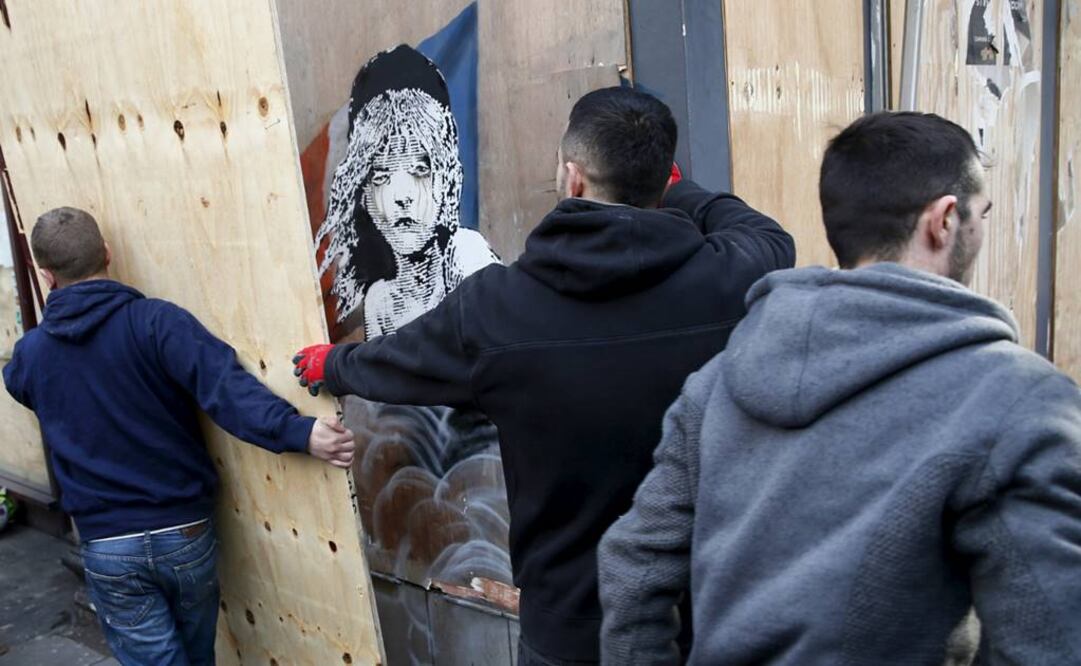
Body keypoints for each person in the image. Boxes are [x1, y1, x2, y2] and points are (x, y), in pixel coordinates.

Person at [293, 86, 795, 664]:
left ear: (573, 178)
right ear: (663, 180)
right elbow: (770, 237)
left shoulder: (499, 308)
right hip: (700, 620)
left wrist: (333, 364)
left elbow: (400, 361)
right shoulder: (728, 281)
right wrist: (678, 191)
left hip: (569, 631)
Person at [597, 111, 1081, 665]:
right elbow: (1052, 640)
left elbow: (633, 562)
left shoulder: (718, 383)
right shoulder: (1018, 402)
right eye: (982, 213)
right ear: (944, 219)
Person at [3, 207, 356, 666]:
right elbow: (227, 390)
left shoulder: (32, 355)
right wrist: (302, 432)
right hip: (184, 534)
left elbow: (18, 382)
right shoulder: (156, 323)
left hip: (108, 545)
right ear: (107, 253)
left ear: (44, 274)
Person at [316, 44, 497, 339]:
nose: (402, 195)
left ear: (447, 178)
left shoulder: (466, 255)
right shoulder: (380, 302)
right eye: (382, 176)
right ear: (364, 194)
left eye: (419, 170)